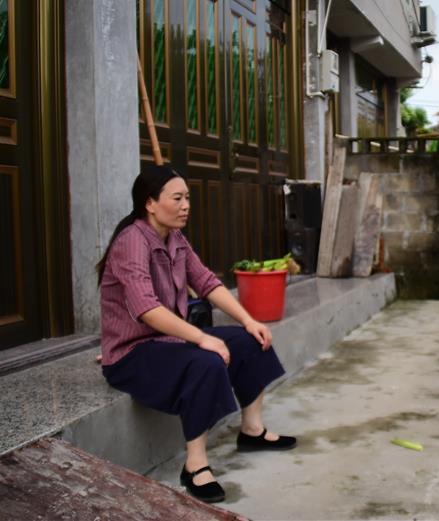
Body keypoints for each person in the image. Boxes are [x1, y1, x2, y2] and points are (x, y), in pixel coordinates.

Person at [98, 165, 296, 504]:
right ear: (150, 203)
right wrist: (202, 337)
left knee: (251, 341)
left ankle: (252, 430)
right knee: (205, 360)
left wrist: (248, 320)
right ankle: (195, 465)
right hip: (132, 353)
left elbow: (206, 282)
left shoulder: (174, 238)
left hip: (168, 341)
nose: (186, 205)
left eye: (187, 198)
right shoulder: (132, 241)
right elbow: (147, 310)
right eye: (177, 198)